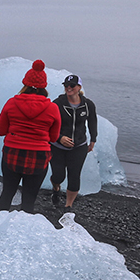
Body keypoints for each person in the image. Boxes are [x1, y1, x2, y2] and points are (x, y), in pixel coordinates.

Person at [0, 60, 61, 213]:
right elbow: (53, 137)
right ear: (44, 86)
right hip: (39, 155)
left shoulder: (12, 103)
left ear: (25, 84)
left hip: (13, 152)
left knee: (7, 193)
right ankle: (24, 231)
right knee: (29, 199)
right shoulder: (52, 108)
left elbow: (1, 130)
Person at [50, 75, 98, 210]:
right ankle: (56, 188)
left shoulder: (88, 105)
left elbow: (92, 122)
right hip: (57, 146)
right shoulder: (57, 104)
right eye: (66, 85)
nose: (68, 88)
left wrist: (93, 139)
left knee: (74, 175)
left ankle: (68, 206)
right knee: (58, 176)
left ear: (79, 87)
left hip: (79, 146)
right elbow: (49, 125)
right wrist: (60, 138)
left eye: (72, 85)